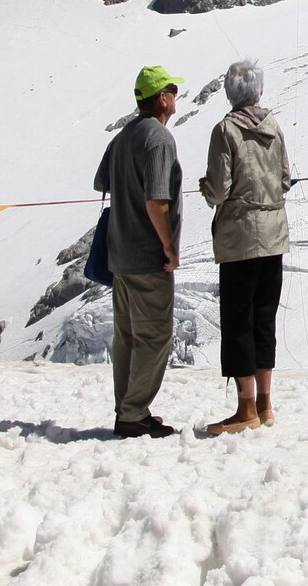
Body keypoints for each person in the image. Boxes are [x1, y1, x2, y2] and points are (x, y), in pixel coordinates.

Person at [200, 58, 291, 436]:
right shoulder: (274, 126)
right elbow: (285, 178)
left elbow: (219, 189)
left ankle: (245, 409)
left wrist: (206, 188)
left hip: (240, 238)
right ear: (260, 91)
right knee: (264, 319)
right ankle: (267, 404)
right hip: (274, 234)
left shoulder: (226, 130)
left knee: (239, 321)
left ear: (229, 93)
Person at [92, 65, 184, 439]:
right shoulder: (158, 139)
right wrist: (169, 248)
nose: (176, 96)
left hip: (119, 253)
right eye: (173, 90)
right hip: (148, 256)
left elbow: (102, 181)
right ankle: (134, 412)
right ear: (161, 98)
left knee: (127, 335)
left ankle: (126, 409)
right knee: (155, 336)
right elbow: (157, 202)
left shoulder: (124, 135)